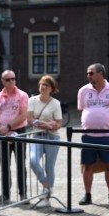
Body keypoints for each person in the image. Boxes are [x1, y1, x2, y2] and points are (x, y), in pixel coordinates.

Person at [77, 63, 109, 206]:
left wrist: (104, 120)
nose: (88, 76)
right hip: (88, 136)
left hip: (107, 136)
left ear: (101, 74)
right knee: (87, 166)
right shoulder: (83, 91)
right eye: (87, 73)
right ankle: (88, 195)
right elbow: (81, 110)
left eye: (91, 73)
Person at [0, 70, 29, 205]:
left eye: (13, 78)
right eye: (8, 79)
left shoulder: (22, 95)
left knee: (20, 164)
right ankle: (5, 194)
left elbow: (23, 115)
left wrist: (8, 127)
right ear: (2, 81)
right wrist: (0, 127)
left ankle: (23, 193)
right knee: (4, 165)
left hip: (19, 132)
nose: (11, 81)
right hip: (2, 134)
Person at [27, 75, 62, 208]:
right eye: (41, 84)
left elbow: (59, 123)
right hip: (37, 135)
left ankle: (46, 198)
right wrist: (39, 123)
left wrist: (50, 126)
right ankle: (46, 185)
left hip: (52, 137)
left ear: (51, 88)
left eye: (46, 85)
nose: (42, 87)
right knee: (33, 160)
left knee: (49, 166)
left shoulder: (55, 103)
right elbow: (29, 118)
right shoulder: (32, 100)